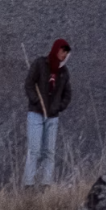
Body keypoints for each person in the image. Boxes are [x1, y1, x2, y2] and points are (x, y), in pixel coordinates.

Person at [23, 38, 71, 185]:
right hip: (36, 114)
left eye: (66, 53)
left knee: (49, 153)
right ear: (56, 49)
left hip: (52, 117)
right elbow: (29, 84)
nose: (64, 55)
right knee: (34, 150)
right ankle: (29, 185)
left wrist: (58, 107)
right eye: (63, 51)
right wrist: (37, 102)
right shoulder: (40, 64)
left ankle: (46, 185)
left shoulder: (64, 72)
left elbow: (68, 94)